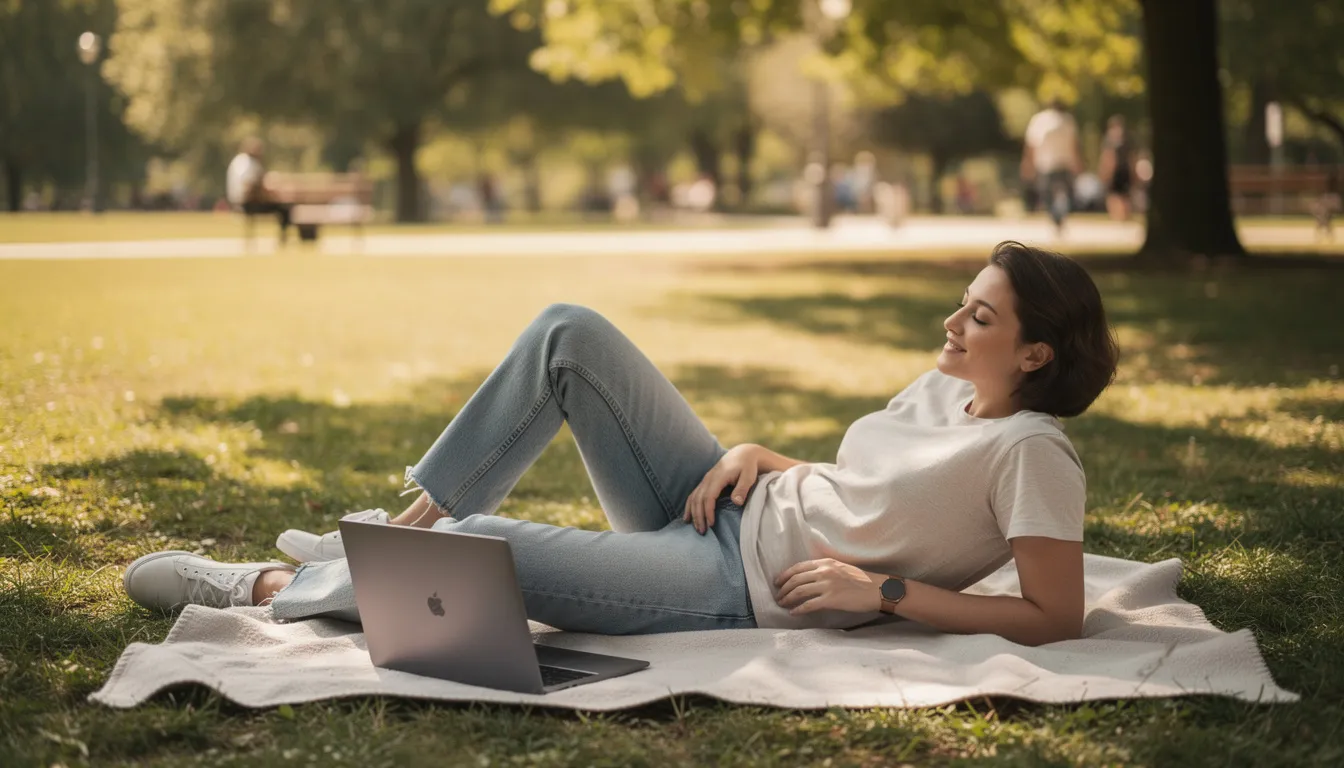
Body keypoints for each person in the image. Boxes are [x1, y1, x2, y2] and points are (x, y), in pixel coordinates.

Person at [121, 242, 1119, 647]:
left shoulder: (1033, 453)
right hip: (720, 502)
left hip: (737, 586)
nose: (952, 322)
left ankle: (257, 588)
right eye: (962, 303)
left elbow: (1055, 613)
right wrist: (764, 456)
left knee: (495, 557)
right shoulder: (947, 390)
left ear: (1034, 353)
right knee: (570, 334)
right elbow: (869, 485)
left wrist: (885, 594)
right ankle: (390, 529)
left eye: (978, 318)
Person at [1022, 100, 1082, 235]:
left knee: (1047, 194)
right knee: (1066, 194)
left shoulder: (1039, 120)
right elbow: (1075, 145)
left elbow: (1031, 145)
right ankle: (1059, 217)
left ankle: (1057, 218)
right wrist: (1078, 163)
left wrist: (1028, 163)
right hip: (1064, 163)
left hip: (1047, 164)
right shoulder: (1068, 120)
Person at [226, 137, 292, 244]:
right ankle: (283, 239)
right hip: (247, 202)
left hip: (237, 200)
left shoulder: (239, 161)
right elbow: (249, 186)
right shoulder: (249, 163)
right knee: (285, 209)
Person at [1097, 116, 1136, 221]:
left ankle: (1117, 216)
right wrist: (1133, 172)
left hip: (1115, 171)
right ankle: (1124, 216)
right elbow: (1132, 158)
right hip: (1126, 169)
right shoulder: (1127, 139)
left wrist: (1105, 171)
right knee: (1125, 194)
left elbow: (1108, 157)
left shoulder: (1109, 139)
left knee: (1113, 195)